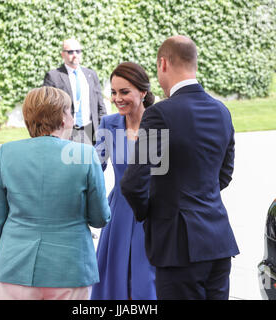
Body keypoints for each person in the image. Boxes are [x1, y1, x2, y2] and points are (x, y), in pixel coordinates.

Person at [120, 35, 240, 300]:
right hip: (218, 242)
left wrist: (151, 214)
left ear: (163, 63)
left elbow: (133, 182)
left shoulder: (159, 113)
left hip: (178, 247)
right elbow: (225, 173)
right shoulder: (221, 111)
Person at [0, 86, 111, 300]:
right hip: (70, 269)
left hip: (13, 269)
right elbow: (100, 218)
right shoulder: (84, 154)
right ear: (62, 118)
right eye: (70, 112)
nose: (72, 118)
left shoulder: (7, 153)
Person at [91, 62, 156, 300]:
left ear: (143, 92)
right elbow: (95, 165)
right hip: (118, 213)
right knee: (115, 280)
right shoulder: (108, 124)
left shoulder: (160, 122)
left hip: (153, 214)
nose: (117, 98)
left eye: (124, 92)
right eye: (114, 92)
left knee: (146, 280)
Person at [43, 38, 107, 145]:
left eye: (78, 51)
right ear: (62, 54)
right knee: (68, 161)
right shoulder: (53, 76)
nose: (75, 54)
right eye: (70, 52)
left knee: (88, 161)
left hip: (90, 130)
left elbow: (100, 104)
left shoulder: (91, 75)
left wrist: (104, 128)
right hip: (66, 132)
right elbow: (47, 107)